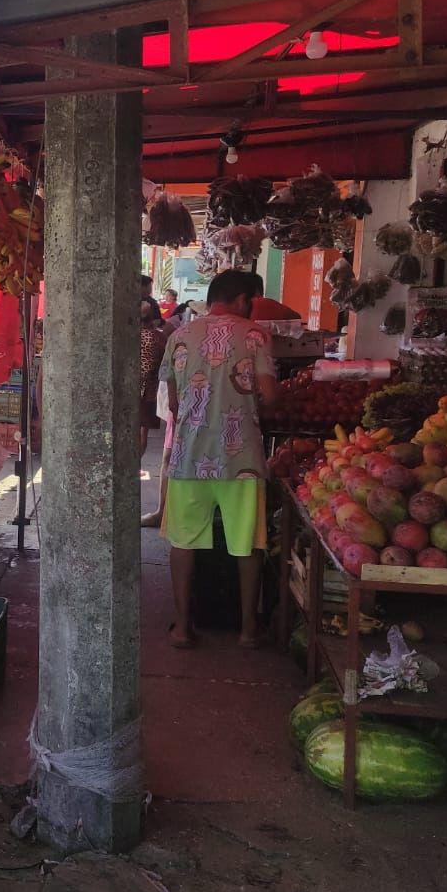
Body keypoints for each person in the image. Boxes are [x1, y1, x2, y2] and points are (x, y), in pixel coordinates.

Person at [158, 269, 278, 648]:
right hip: (240, 457)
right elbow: (271, 396)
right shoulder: (255, 335)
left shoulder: (178, 336)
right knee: (247, 543)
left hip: (188, 457)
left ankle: (181, 627)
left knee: (184, 541)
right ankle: (247, 630)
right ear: (243, 299)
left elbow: (173, 401)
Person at [137, 297, 168, 460]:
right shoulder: (159, 337)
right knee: (143, 431)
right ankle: (136, 464)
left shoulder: (125, 337)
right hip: (149, 390)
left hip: (129, 389)